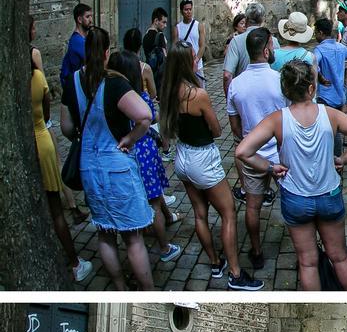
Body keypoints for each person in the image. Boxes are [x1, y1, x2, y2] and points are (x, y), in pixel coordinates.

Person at [235, 59, 347, 291]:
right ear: (311, 88)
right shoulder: (330, 115)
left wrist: (270, 167)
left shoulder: (277, 119)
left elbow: (242, 151)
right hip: (329, 194)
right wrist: (344, 159)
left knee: (308, 263)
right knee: (339, 257)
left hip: (296, 198)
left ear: (285, 90)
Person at [59, 27, 155, 291]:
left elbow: (67, 128)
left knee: (105, 233)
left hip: (89, 167)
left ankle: (120, 286)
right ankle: (148, 291)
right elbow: (145, 115)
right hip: (117, 165)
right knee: (133, 237)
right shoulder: (114, 83)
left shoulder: (73, 82)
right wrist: (130, 138)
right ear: (105, 53)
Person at [161, 42, 261, 290]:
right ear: (187, 63)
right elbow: (216, 130)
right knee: (228, 212)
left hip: (182, 156)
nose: (197, 59)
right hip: (203, 158)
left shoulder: (167, 93)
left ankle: (216, 262)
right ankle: (236, 274)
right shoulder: (198, 95)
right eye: (193, 57)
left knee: (199, 213)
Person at [106, 51, 180, 267]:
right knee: (154, 202)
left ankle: (145, 229)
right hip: (143, 150)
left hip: (127, 152)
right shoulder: (139, 96)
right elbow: (151, 116)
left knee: (140, 197)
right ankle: (165, 247)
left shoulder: (114, 96)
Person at [227, 27, 287, 271]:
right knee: (292, 198)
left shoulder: (236, 84)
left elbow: (234, 123)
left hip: (251, 153)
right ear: (265, 50)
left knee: (252, 206)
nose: (273, 50)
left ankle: (256, 249)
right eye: (272, 46)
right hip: (280, 152)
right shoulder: (279, 80)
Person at [31, 44, 92, 282]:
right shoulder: (36, 76)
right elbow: (46, 115)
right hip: (41, 138)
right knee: (55, 207)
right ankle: (75, 262)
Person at [313, 17, 347, 158]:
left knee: (327, 130)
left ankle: (331, 159)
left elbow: (313, 65)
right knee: (337, 129)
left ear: (321, 33)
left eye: (316, 32)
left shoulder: (319, 50)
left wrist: (320, 76)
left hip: (326, 96)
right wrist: (344, 67)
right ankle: (338, 159)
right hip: (340, 95)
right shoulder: (340, 47)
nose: (315, 35)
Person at [222, 3, 277, 96]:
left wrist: (230, 99)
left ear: (246, 19)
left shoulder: (236, 41)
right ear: (263, 19)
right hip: (269, 92)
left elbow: (227, 75)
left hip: (243, 93)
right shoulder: (273, 40)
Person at [60, 3, 92, 92]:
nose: (91, 20)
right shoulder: (77, 41)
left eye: (91, 16)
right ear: (79, 19)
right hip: (79, 88)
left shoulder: (82, 39)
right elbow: (92, 62)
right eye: (87, 17)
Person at [173, 0, 206, 83]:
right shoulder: (177, 28)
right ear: (181, 11)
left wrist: (196, 60)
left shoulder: (198, 25)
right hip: (184, 66)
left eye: (190, 9)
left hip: (197, 65)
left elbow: (202, 46)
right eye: (186, 10)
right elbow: (176, 47)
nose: (189, 12)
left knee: (200, 89)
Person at [143, 7, 169, 92]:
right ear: (156, 21)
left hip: (150, 75)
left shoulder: (146, 35)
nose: (165, 25)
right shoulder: (160, 36)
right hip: (161, 78)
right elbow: (165, 57)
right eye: (163, 22)